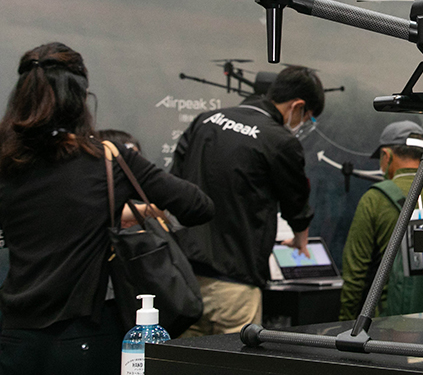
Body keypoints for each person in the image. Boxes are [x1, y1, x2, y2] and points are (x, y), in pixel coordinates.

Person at [0, 42, 214, 375]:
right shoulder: (108, 160)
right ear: (80, 99)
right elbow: (198, 207)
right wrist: (126, 210)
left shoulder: (7, 164)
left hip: (13, 336)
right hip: (84, 336)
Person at [171, 65, 322, 336]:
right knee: (236, 355)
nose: (303, 124)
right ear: (297, 106)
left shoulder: (205, 120)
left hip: (183, 278)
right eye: (307, 117)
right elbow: (296, 203)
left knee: (182, 356)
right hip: (235, 284)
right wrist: (301, 238)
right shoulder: (280, 141)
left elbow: (174, 184)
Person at [339, 121, 423, 320]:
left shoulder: (375, 198)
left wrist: (345, 322)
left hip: (391, 322)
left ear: (387, 155)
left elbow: (355, 274)